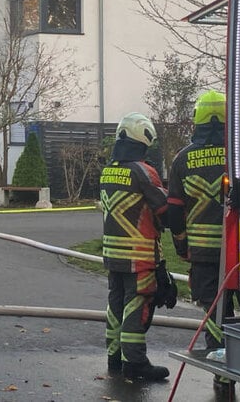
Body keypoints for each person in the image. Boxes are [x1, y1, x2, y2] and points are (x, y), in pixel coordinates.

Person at [100, 113, 170, 382]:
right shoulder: (143, 171)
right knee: (136, 304)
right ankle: (136, 363)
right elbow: (163, 208)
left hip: (112, 253)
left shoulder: (109, 169)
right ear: (143, 138)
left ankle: (114, 357)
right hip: (139, 255)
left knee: (115, 304)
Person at [168, 90, 231, 376]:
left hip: (204, 253)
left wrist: (181, 247)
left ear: (198, 119)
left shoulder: (182, 160)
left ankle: (221, 369)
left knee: (213, 309)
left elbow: (174, 214)